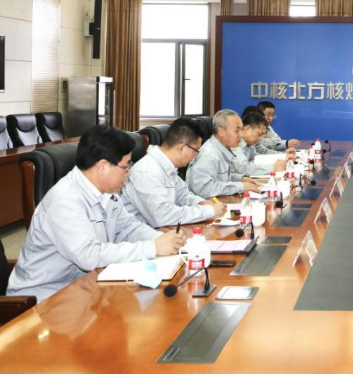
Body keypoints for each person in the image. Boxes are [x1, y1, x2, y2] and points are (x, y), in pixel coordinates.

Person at [7, 126, 187, 301]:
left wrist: (163, 240)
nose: (129, 173)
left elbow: (128, 227)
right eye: (125, 166)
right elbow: (89, 255)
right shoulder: (65, 200)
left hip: (84, 285)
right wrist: (153, 247)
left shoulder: (106, 192)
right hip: (44, 297)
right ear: (102, 167)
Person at [121, 118, 226, 228]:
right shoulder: (147, 171)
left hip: (162, 231)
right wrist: (208, 211)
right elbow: (163, 216)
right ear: (182, 148)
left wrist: (201, 203)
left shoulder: (168, 166)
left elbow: (182, 195)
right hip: (142, 234)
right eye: (195, 151)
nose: (195, 156)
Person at [187, 109, 262, 198]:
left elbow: (221, 177)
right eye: (237, 130)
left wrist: (241, 178)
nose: (241, 135)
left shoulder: (223, 149)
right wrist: (240, 186)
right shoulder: (209, 154)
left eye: (241, 130)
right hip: (205, 204)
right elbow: (203, 188)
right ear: (221, 132)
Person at [232, 111, 292, 176]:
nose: (260, 138)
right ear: (247, 129)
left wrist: (283, 157)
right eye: (259, 134)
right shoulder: (234, 143)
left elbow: (257, 158)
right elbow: (244, 168)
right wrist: (273, 167)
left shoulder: (250, 144)